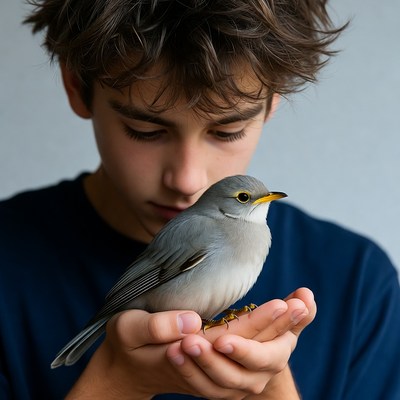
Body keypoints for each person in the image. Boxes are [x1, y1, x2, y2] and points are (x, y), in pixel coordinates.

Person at [1, 0, 399, 398]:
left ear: (272, 101)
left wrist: (273, 390)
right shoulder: (11, 262)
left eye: (227, 131)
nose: (188, 181)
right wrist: (114, 383)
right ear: (76, 88)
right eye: (144, 129)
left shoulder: (362, 282)